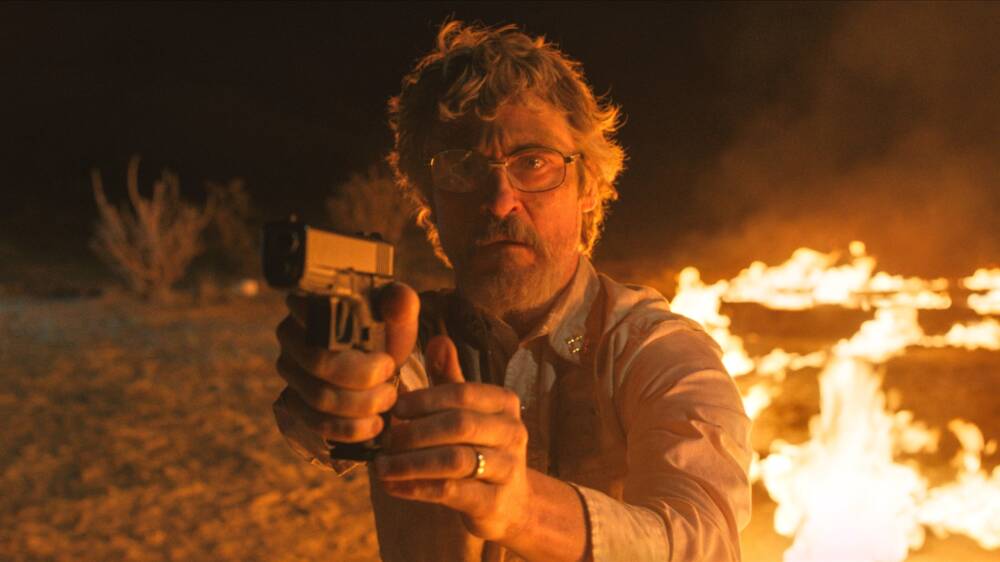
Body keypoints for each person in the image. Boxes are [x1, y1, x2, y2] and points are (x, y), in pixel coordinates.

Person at [273, 21, 751, 562]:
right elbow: (335, 406)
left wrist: (522, 508)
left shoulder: (654, 348)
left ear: (588, 187)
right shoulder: (404, 338)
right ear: (429, 198)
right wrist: (340, 393)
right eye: (463, 166)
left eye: (534, 161)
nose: (500, 199)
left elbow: (705, 542)